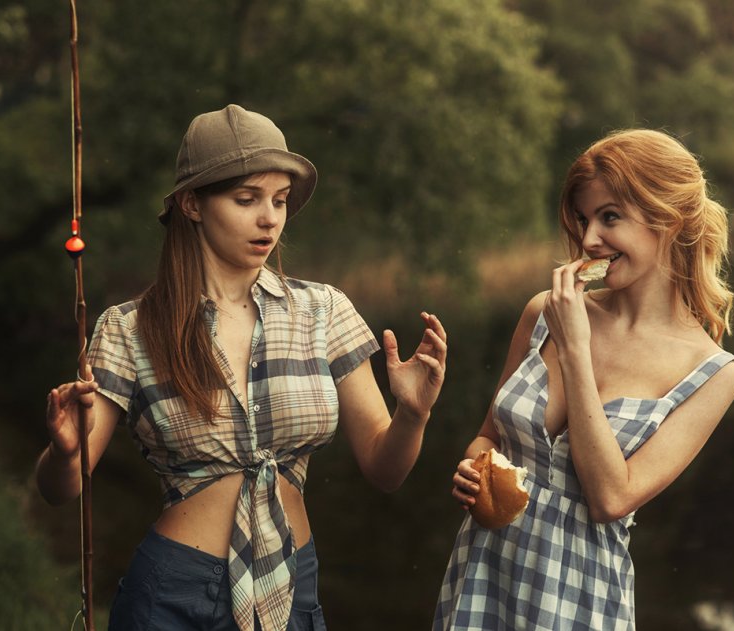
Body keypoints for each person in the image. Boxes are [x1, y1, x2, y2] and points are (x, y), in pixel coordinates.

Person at [36, 104, 447, 631]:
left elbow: (386, 473)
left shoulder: (324, 310)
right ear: (192, 204)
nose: (269, 218)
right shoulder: (129, 327)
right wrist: (63, 451)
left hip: (293, 587)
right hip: (174, 594)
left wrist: (412, 414)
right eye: (246, 198)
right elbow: (60, 489)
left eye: (279, 200)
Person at [433, 129, 734, 630]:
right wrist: (474, 470)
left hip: (577, 599)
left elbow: (610, 499)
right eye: (583, 218)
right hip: (482, 577)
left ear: (669, 218)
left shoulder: (713, 372)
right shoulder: (543, 312)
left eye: (610, 217)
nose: (589, 239)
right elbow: (489, 437)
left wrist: (576, 350)